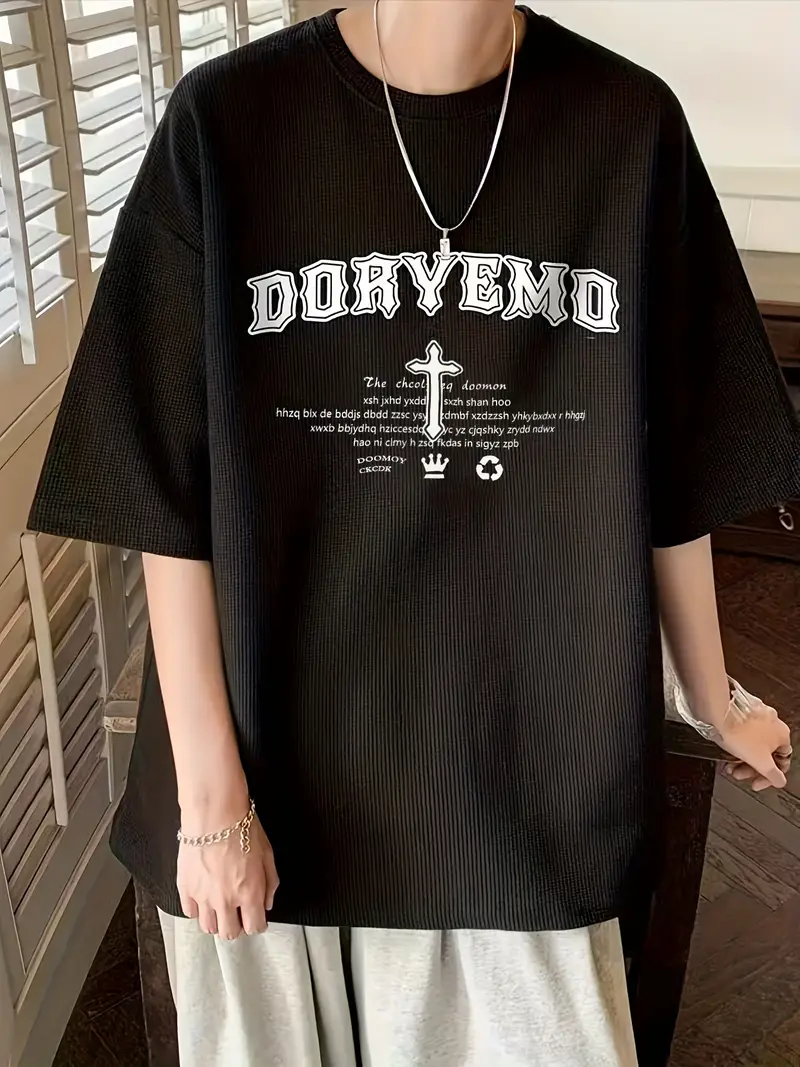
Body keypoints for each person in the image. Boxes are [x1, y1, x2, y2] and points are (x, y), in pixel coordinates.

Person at [28, 2, 797, 1064]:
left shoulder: (628, 125)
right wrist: (210, 805)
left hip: (531, 750)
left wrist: (712, 695)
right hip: (273, 749)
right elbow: (163, 490)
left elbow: (677, 459)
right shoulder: (229, 121)